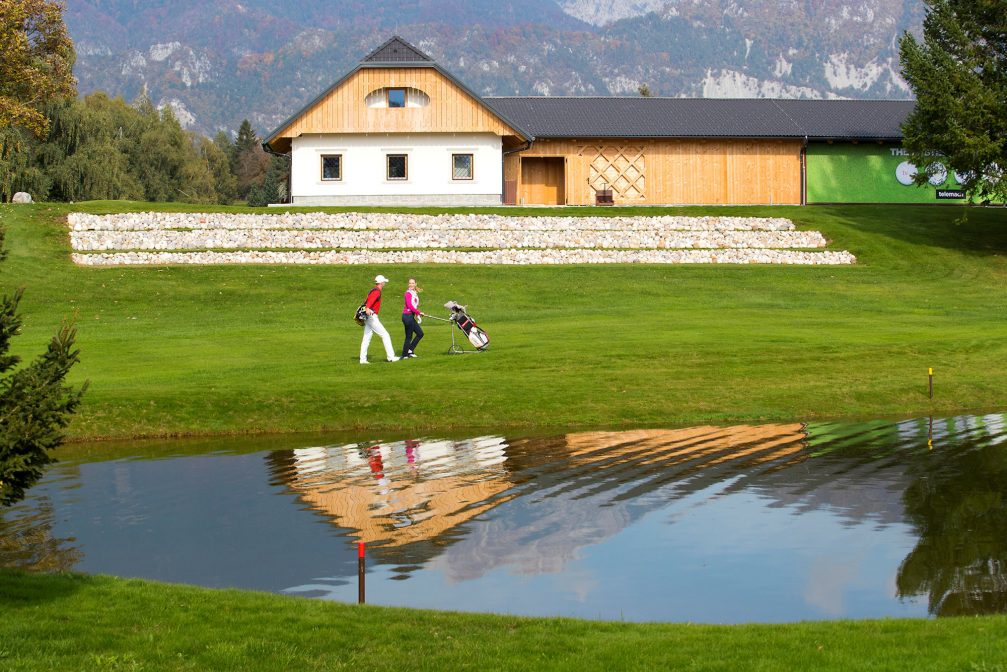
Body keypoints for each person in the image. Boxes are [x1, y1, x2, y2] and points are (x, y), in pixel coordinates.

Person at [359, 275, 399, 364]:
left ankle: (362, 359)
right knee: (385, 335)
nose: (384, 283)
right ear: (381, 283)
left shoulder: (373, 290)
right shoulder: (377, 291)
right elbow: (369, 302)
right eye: (384, 282)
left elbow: (367, 300)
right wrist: (368, 308)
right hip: (371, 316)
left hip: (368, 316)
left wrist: (367, 308)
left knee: (366, 338)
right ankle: (391, 357)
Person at [401, 277, 424, 358]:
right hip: (407, 316)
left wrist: (418, 315)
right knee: (408, 336)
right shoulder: (408, 293)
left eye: (412, 283)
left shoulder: (414, 293)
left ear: (415, 284)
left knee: (420, 333)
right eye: (410, 283)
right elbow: (410, 306)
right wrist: (418, 312)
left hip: (411, 316)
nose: (411, 284)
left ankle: (410, 350)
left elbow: (414, 306)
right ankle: (404, 355)